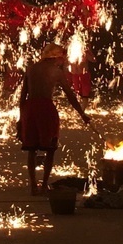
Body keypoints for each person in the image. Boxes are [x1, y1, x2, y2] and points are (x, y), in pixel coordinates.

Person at [18, 43, 93, 196]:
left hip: (30, 108)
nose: (63, 61)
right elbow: (70, 96)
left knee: (31, 149)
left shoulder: (31, 68)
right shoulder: (56, 72)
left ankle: (33, 186)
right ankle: (44, 185)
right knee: (50, 148)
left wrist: (21, 118)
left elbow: (22, 96)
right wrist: (82, 113)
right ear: (56, 57)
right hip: (46, 109)